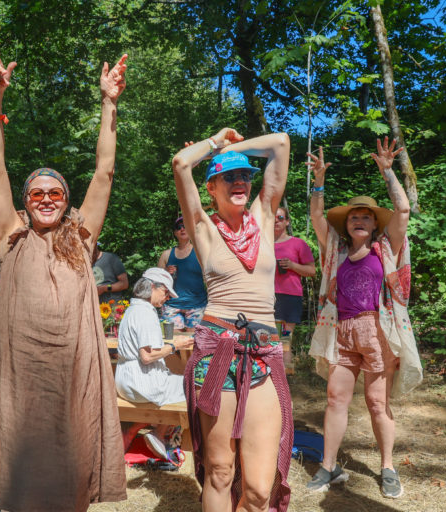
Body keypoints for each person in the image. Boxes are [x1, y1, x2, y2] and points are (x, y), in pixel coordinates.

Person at [0, 46, 128, 512]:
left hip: (73, 371)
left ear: (66, 199)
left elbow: (105, 171)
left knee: (72, 458)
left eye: (55, 193)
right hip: (20, 373)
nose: (46, 199)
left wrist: (109, 103)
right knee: (19, 465)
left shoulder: (80, 234)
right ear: (25, 200)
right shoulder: (11, 234)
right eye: (36, 193)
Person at [172, 129, 292, 512]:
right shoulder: (202, 228)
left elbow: (281, 143)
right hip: (216, 353)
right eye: (228, 176)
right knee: (221, 471)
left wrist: (233, 149)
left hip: (263, 353)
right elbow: (181, 163)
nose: (239, 182)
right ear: (211, 187)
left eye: (244, 175)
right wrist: (215, 143)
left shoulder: (263, 216)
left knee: (258, 490)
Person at [306, 139, 422, 498]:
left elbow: (403, 210)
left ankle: (387, 468)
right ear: (347, 225)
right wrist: (319, 182)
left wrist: (388, 170)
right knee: (335, 399)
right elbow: (316, 217)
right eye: (354, 217)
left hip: (377, 330)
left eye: (366, 216)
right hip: (340, 330)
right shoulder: (335, 250)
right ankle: (328, 466)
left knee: (376, 403)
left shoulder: (385, 247)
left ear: (374, 225)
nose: (359, 220)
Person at [114, 267, 194, 458]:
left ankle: (138, 429)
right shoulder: (145, 313)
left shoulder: (133, 309)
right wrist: (175, 345)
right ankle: (160, 434)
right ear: (151, 287)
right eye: (165, 292)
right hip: (143, 384)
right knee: (193, 385)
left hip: (125, 382)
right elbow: (147, 356)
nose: (167, 298)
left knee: (178, 380)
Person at [158, 215, 208, 331]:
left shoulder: (201, 252)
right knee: (171, 339)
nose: (182, 229)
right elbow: (156, 282)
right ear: (175, 233)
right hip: (171, 305)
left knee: (195, 339)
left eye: (185, 226)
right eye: (179, 227)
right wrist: (165, 272)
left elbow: (209, 279)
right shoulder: (166, 254)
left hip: (197, 305)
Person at [273, 207, 315, 334]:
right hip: (264, 295)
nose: (276, 220)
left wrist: (292, 266)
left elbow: (312, 271)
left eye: (280, 217)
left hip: (289, 297)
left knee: (284, 338)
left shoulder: (298, 244)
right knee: (264, 337)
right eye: (273, 217)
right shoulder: (261, 243)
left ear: (287, 221)